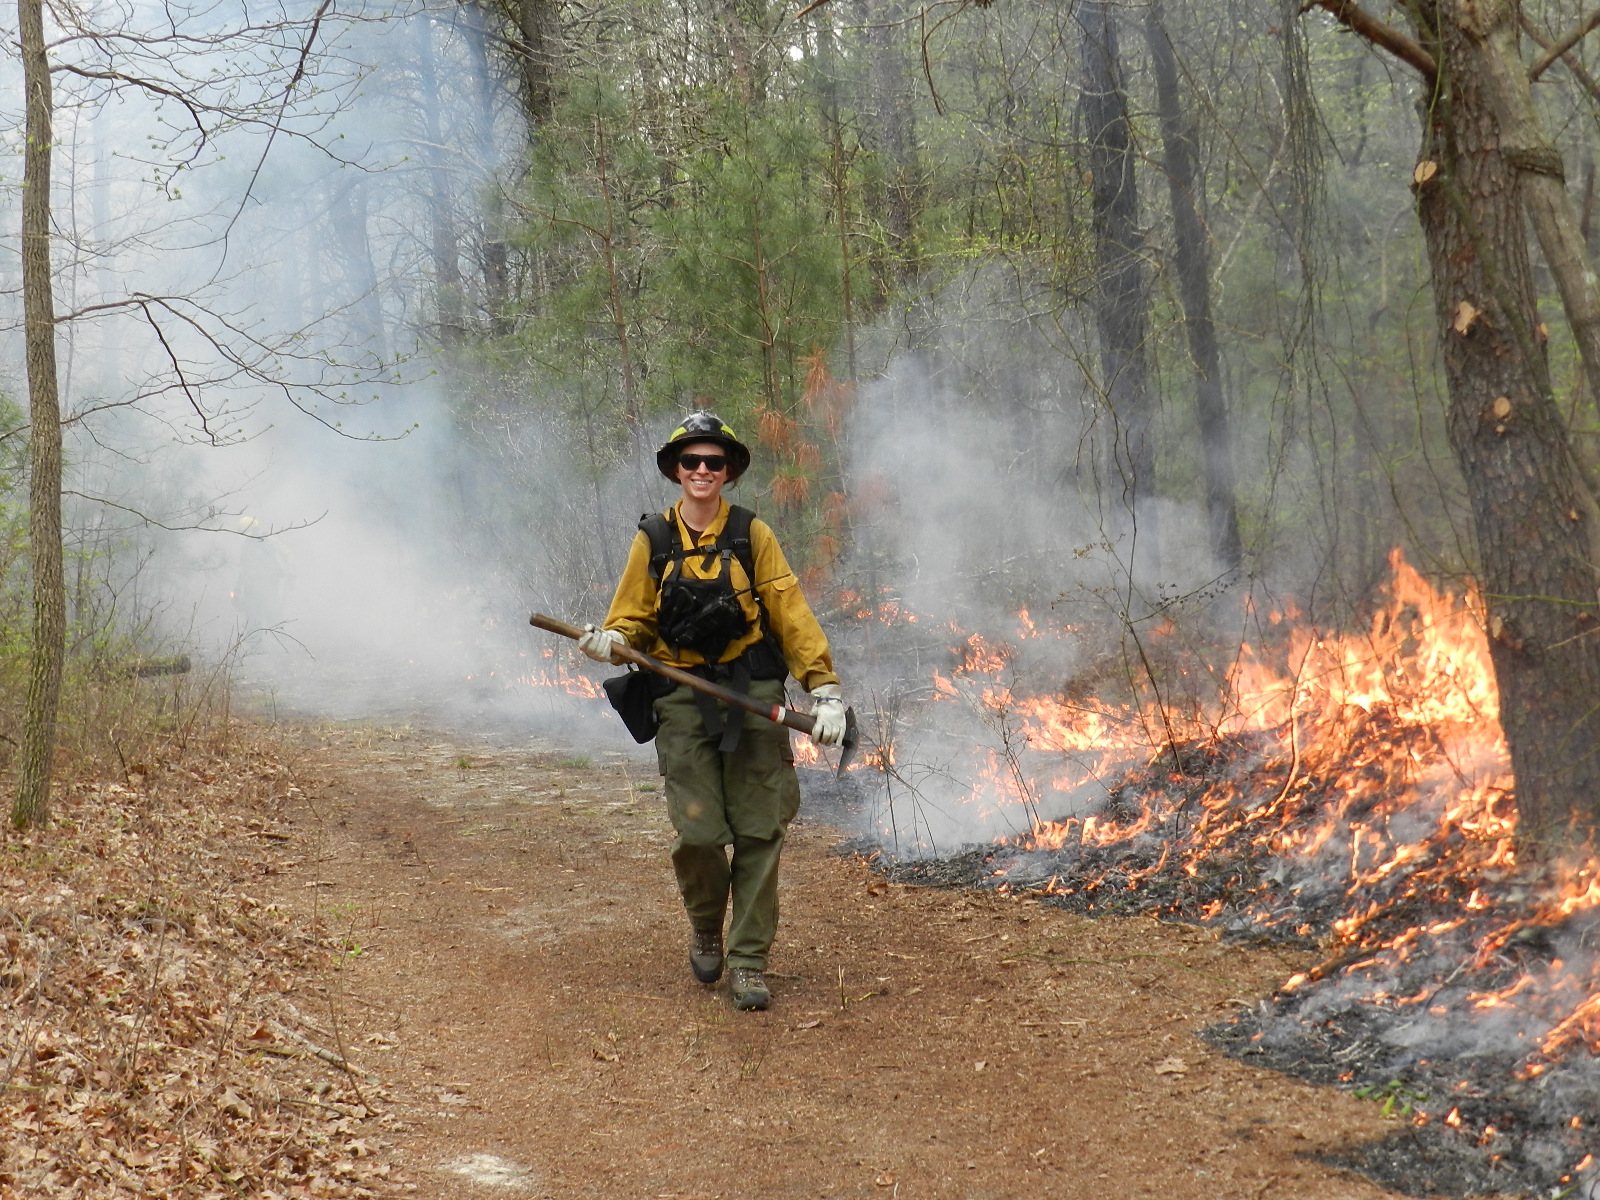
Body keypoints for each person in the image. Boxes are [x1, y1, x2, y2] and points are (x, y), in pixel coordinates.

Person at [577, 411, 846, 1011]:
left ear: (728, 472)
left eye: (714, 462)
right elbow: (632, 618)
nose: (702, 470)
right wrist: (610, 639)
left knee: (759, 832)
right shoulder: (655, 538)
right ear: (676, 470)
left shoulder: (754, 535)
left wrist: (824, 689)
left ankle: (748, 961)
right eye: (691, 461)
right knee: (699, 834)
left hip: (752, 696)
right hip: (679, 699)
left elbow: (790, 613)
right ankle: (705, 925)